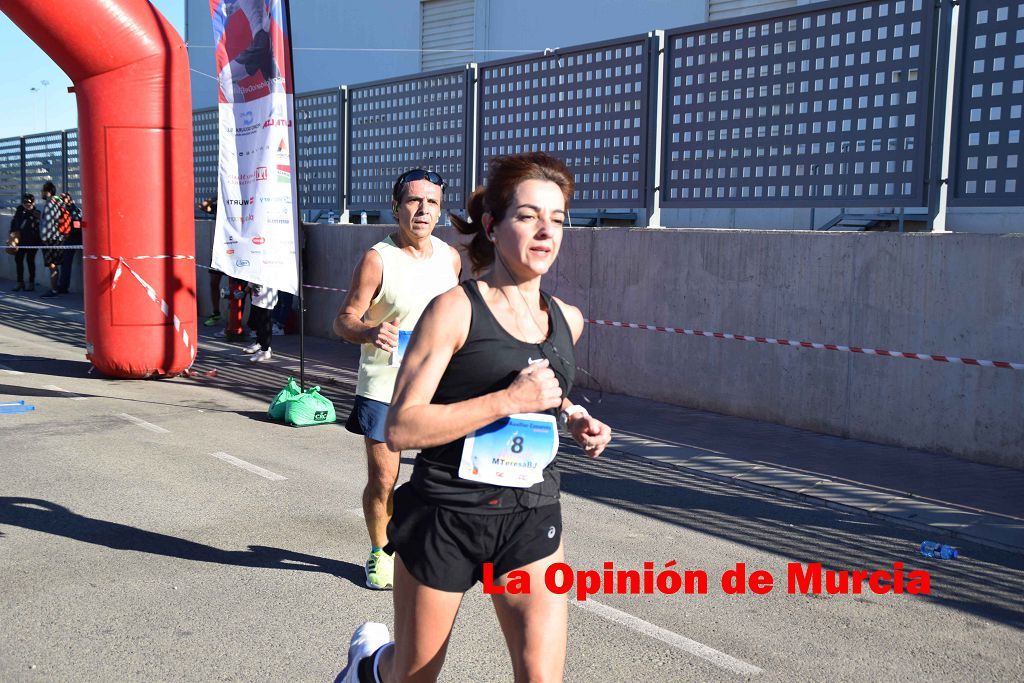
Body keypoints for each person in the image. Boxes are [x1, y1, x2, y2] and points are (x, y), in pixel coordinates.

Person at [339, 153, 612, 683]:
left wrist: (575, 415)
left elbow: (546, 392)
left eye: (557, 219)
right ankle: (370, 665)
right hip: (448, 515)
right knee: (412, 676)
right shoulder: (455, 310)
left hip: (531, 514)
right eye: (528, 216)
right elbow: (401, 427)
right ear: (492, 224)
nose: (545, 231)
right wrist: (505, 401)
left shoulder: (567, 320)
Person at [332, 169, 462, 590]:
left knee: (442, 478)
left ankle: (428, 546)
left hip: (437, 386)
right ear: (396, 207)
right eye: (414, 201)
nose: (423, 210)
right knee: (384, 478)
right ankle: (379, 552)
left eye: (432, 203)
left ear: (440, 212)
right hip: (384, 385)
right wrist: (369, 332)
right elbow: (343, 320)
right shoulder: (377, 259)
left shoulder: (450, 258)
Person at [38, 181, 67, 298]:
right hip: (59, 238)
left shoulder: (50, 204)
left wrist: (43, 238)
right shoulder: (59, 202)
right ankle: (56, 288)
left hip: (50, 239)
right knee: (55, 265)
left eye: (43, 191)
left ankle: (54, 289)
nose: (41, 193)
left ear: (48, 192)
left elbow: (48, 223)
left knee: (52, 265)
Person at [9, 193, 41, 292]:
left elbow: (40, 225)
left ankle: (31, 283)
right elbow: (14, 223)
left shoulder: (36, 213)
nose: (26, 204)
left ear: (33, 202)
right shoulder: (19, 211)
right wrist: (11, 234)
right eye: (24, 202)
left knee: (30, 261)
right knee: (18, 260)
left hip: (33, 241)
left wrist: (34, 215)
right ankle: (20, 282)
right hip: (20, 241)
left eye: (29, 202)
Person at [56, 193, 83, 294]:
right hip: (69, 239)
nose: (62, 201)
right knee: (65, 263)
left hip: (75, 239)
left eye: (64, 199)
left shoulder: (75, 211)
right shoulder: (62, 210)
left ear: (70, 200)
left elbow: (77, 225)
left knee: (66, 262)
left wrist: (68, 233)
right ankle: (63, 286)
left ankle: (63, 286)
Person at [243, 283, 277, 362]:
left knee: (265, 324)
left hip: (267, 297)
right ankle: (259, 343)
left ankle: (265, 350)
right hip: (256, 295)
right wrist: (248, 286)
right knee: (256, 322)